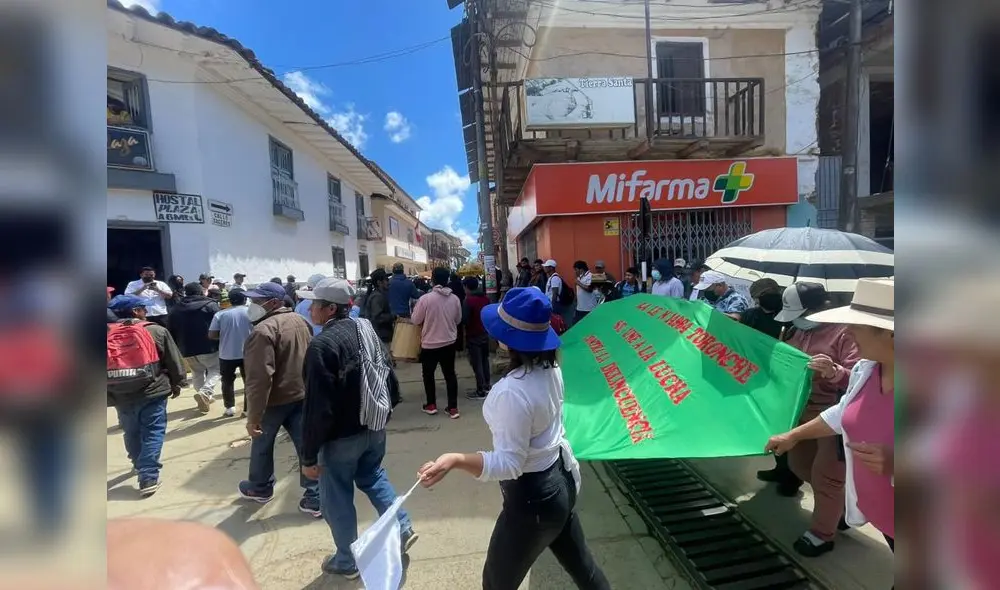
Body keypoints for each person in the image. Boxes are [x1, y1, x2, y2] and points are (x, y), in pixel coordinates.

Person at [417, 287, 611, 590]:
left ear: (508, 339)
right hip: (562, 480)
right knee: (582, 567)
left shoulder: (512, 391)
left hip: (533, 500)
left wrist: (455, 460)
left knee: (496, 583)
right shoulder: (552, 367)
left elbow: (510, 463)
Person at [298, 278, 419, 579]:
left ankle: (347, 559)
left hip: (341, 437)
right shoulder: (365, 329)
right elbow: (387, 371)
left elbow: (318, 407)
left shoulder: (321, 345)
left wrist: (309, 455)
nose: (310, 309)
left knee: (336, 496)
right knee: (373, 476)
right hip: (373, 427)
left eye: (315, 304)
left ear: (329, 309)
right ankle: (402, 527)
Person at [766, 278, 894, 554]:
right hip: (886, 511)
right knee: (802, 467)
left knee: (827, 478)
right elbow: (842, 411)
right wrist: (793, 435)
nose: (848, 331)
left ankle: (823, 531)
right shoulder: (867, 369)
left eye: (857, 327)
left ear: (890, 333)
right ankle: (841, 507)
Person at [238, 281, 321, 516]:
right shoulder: (300, 321)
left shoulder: (262, 331)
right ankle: (315, 495)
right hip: (301, 393)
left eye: (255, 301)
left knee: (262, 445)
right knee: (306, 445)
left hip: (274, 400)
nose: (252, 306)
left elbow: (259, 378)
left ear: (272, 303)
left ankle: (260, 487)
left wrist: (253, 416)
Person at [107, 294, 185, 497]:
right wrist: (178, 383)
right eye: (143, 308)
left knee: (130, 429)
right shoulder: (156, 330)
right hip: (152, 390)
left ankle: (137, 462)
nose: (146, 312)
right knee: (153, 431)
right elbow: (174, 361)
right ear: (135, 312)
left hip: (119, 392)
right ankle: (148, 476)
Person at [411, 267, 463, 418]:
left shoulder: (425, 299)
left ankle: (431, 404)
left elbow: (415, 320)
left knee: (428, 375)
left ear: (433, 280)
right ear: (447, 280)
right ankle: (453, 408)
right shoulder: (454, 299)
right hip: (449, 342)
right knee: (450, 374)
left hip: (430, 344)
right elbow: (458, 320)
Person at [168, 282, 222, 413]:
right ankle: (205, 392)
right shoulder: (210, 305)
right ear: (201, 292)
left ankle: (205, 396)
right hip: (209, 346)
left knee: (197, 373)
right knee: (216, 369)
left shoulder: (175, 309)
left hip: (186, 349)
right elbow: (220, 324)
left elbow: (170, 330)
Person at [209, 290, 253, 417]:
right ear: (245, 299)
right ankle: (247, 409)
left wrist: (225, 336)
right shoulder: (251, 312)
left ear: (229, 300)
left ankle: (230, 408)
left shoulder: (220, 314)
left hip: (226, 354)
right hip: (248, 353)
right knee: (249, 381)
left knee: (227, 381)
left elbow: (211, 335)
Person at [462, 276, 491, 400]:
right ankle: (487, 385)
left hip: (473, 335)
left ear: (467, 287)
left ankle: (480, 390)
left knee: (476, 363)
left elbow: (465, 319)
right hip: (485, 333)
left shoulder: (468, 301)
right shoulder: (485, 298)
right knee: (485, 360)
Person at [361, 268, 394, 345]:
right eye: (386, 280)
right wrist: (392, 316)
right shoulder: (377, 297)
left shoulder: (377, 295)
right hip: (381, 337)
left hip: (380, 336)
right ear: (379, 282)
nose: (388, 282)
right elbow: (377, 317)